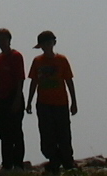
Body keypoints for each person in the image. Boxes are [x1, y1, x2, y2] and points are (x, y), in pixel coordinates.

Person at [25, 31, 77, 173]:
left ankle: (67, 160)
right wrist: (29, 101)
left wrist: (74, 102)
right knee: (47, 134)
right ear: (40, 46)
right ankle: (53, 160)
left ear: (54, 43)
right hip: (43, 103)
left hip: (61, 103)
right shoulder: (37, 61)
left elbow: (69, 81)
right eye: (44, 44)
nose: (47, 46)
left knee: (64, 133)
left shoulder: (62, 60)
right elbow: (34, 82)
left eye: (49, 42)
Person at [0, 28, 25, 170]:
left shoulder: (16, 56)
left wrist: (17, 99)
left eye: (3, 39)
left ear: (9, 39)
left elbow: (20, 79)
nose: (1, 42)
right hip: (1, 99)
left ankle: (18, 163)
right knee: (4, 133)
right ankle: (7, 163)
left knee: (16, 131)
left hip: (13, 97)